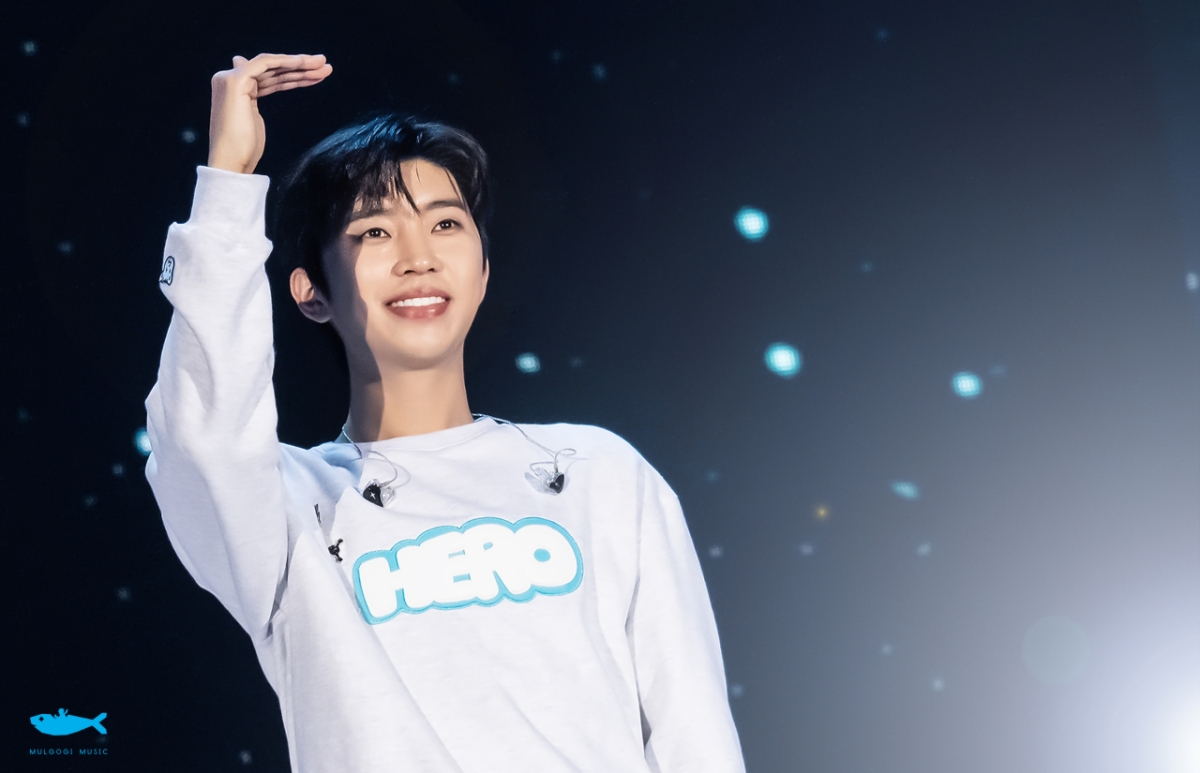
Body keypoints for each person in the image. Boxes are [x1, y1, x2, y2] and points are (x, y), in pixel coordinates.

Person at [144, 52, 745, 772]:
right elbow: (201, 435)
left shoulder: (600, 471)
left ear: (482, 270)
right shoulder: (287, 512)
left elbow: (693, 730)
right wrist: (228, 181)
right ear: (311, 292)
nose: (418, 257)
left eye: (446, 224)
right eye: (374, 231)